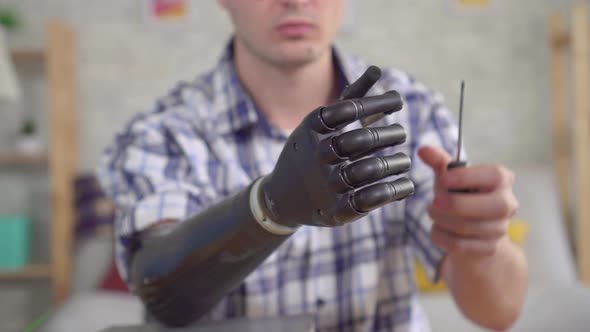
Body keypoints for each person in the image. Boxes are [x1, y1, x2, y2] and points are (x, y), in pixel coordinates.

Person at [96, 0, 527, 331]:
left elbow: (499, 313)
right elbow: (162, 292)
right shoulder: (164, 131)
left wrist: (483, 242)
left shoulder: (410, 110)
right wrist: (269, 206)